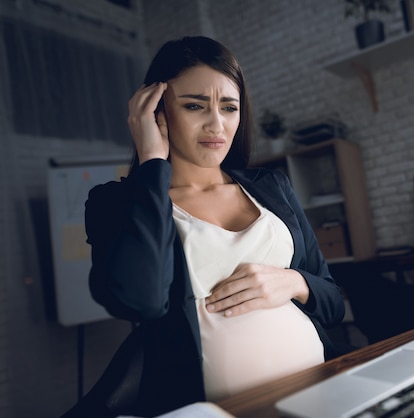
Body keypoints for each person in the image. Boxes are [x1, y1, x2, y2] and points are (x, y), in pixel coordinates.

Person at [61, 36, 345, 418]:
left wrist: (294, 282)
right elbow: (138, 299)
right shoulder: (119, 203)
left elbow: (333, 302)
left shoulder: (272, 187)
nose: (217, 124)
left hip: (323, 393)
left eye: (229, 107)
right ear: (157, 110)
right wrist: (151, 163)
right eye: (195, 105)